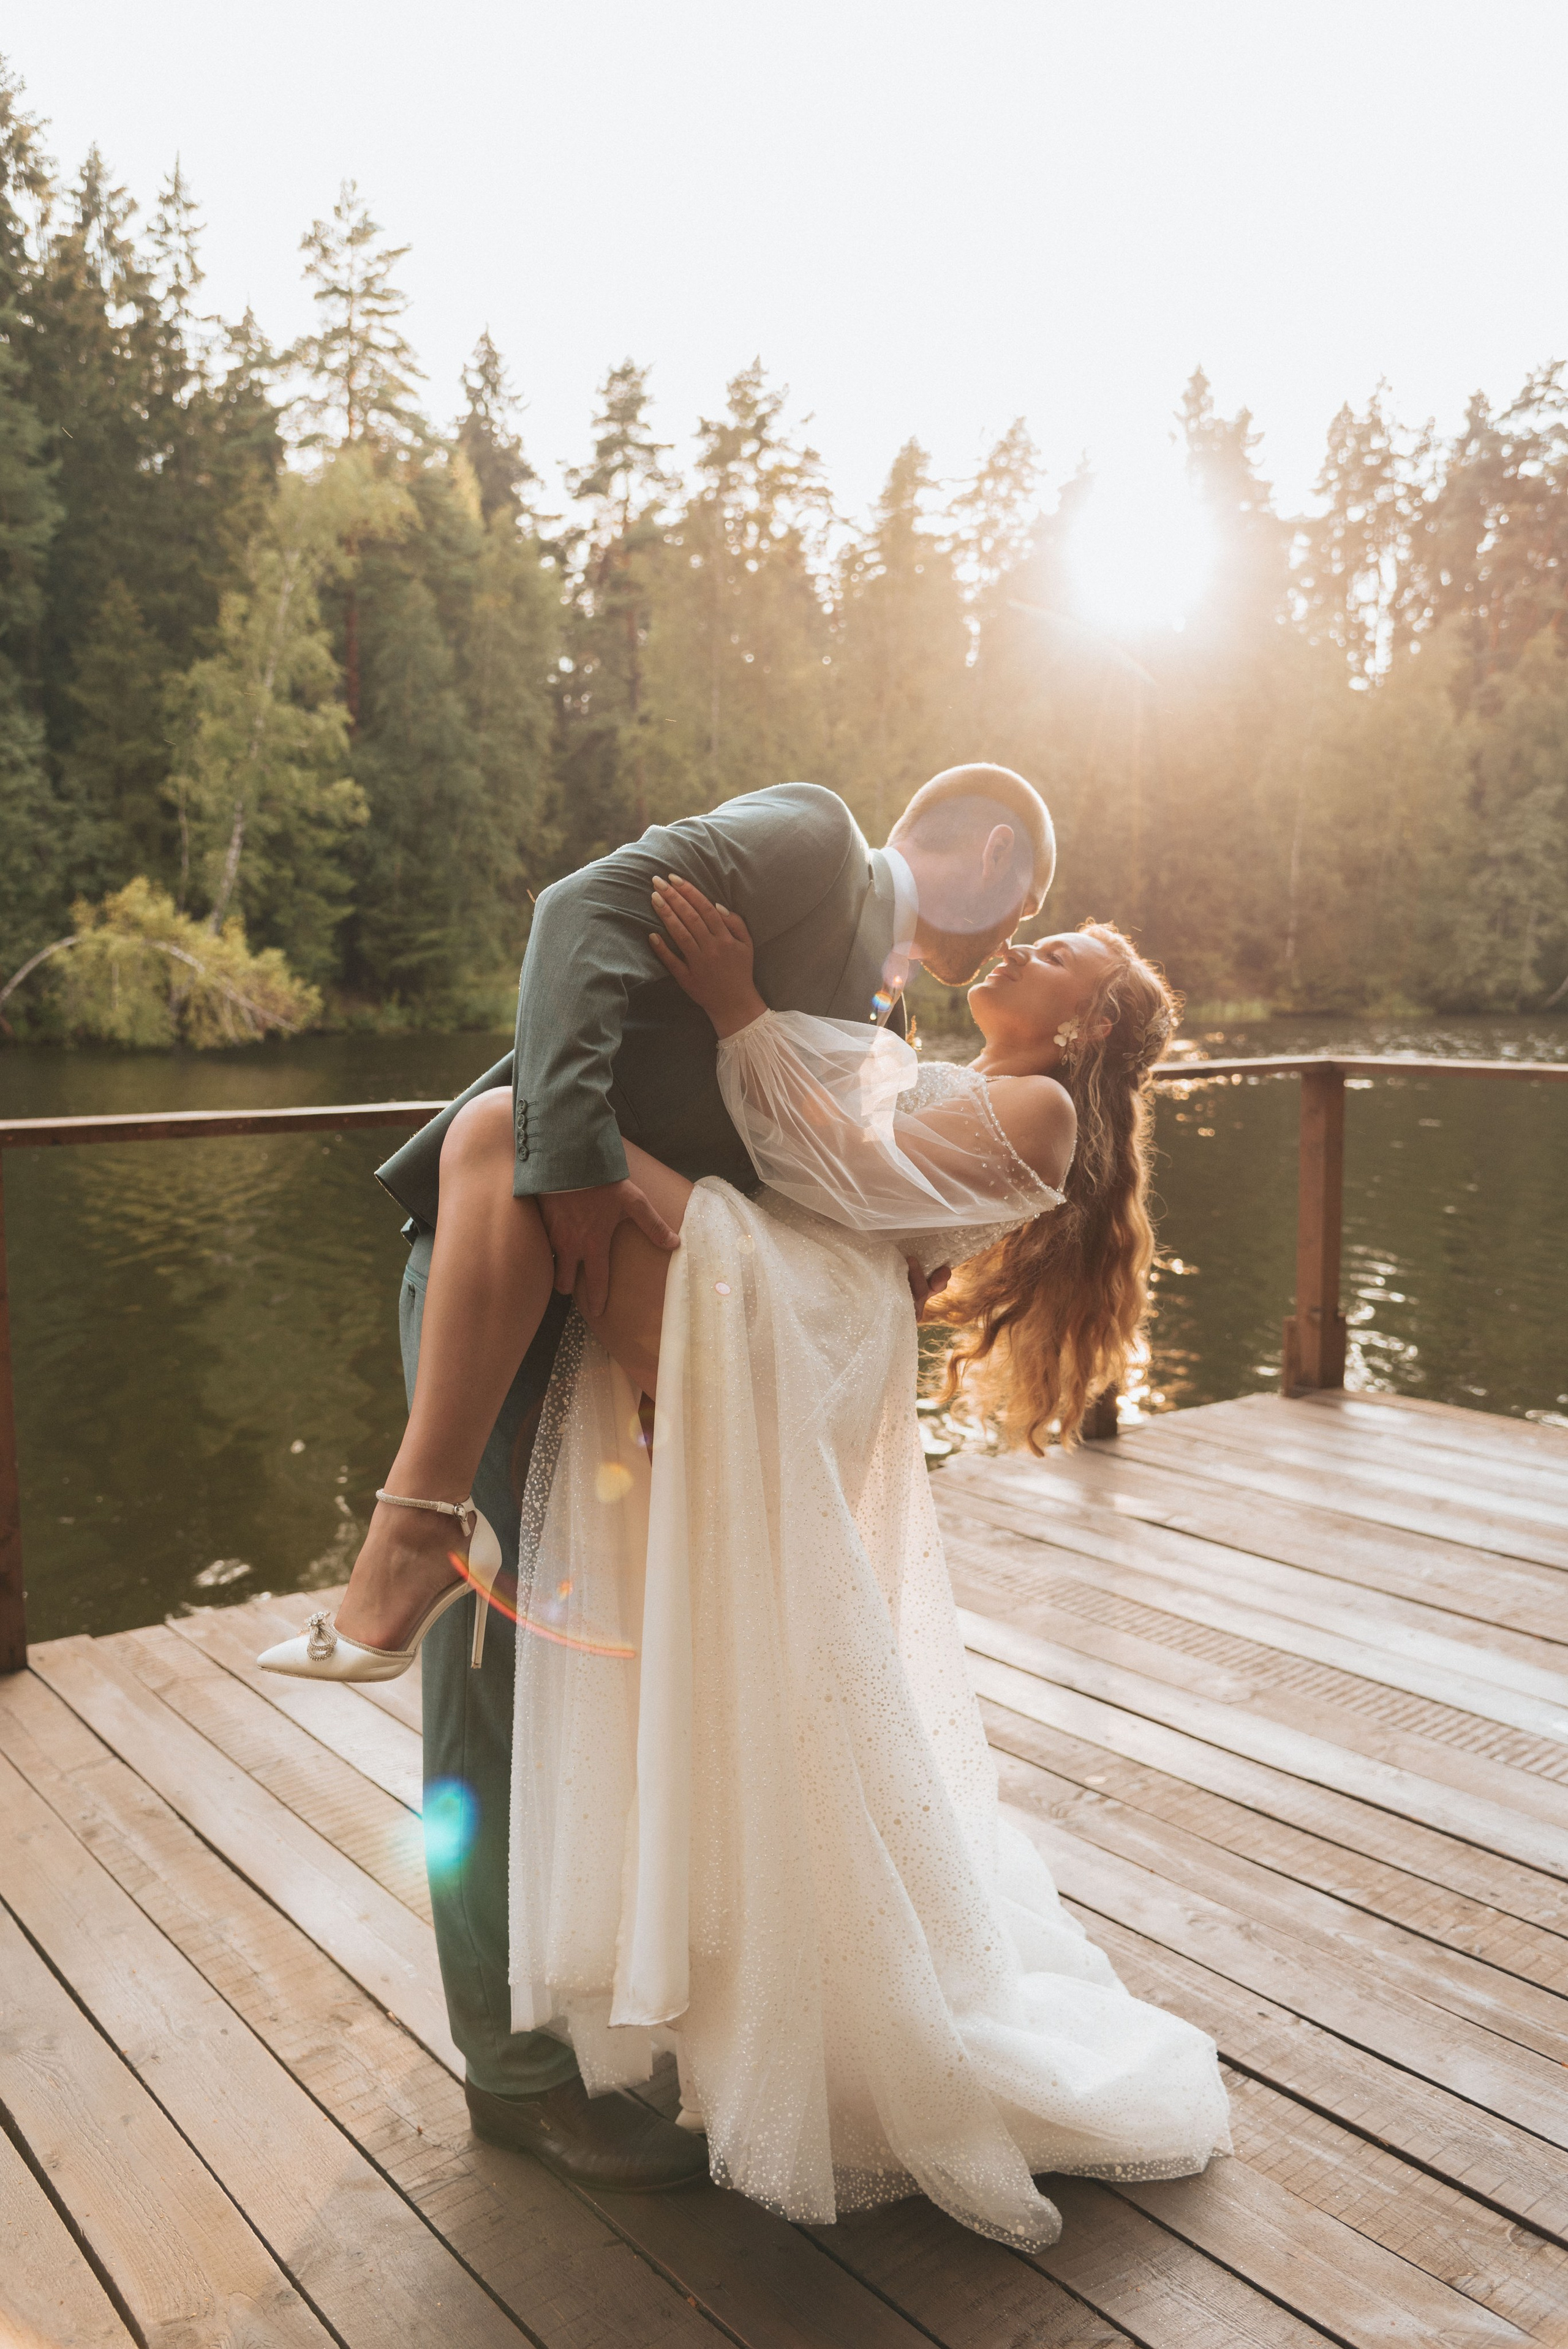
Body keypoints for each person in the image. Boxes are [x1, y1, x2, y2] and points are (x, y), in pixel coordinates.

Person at [262, 766, 1061, 2194]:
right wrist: (572, 1162)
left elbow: (800, 1172)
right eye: (1028, 907)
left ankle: (590, 2016)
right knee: (490, 1674)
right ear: (992, 851)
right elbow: (576, 914)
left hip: (619, 1330)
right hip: (505, 1273)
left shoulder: (884, 1015)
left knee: (589, 1666)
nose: (1011, 940)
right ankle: (513, 2078)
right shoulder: (811, 837)